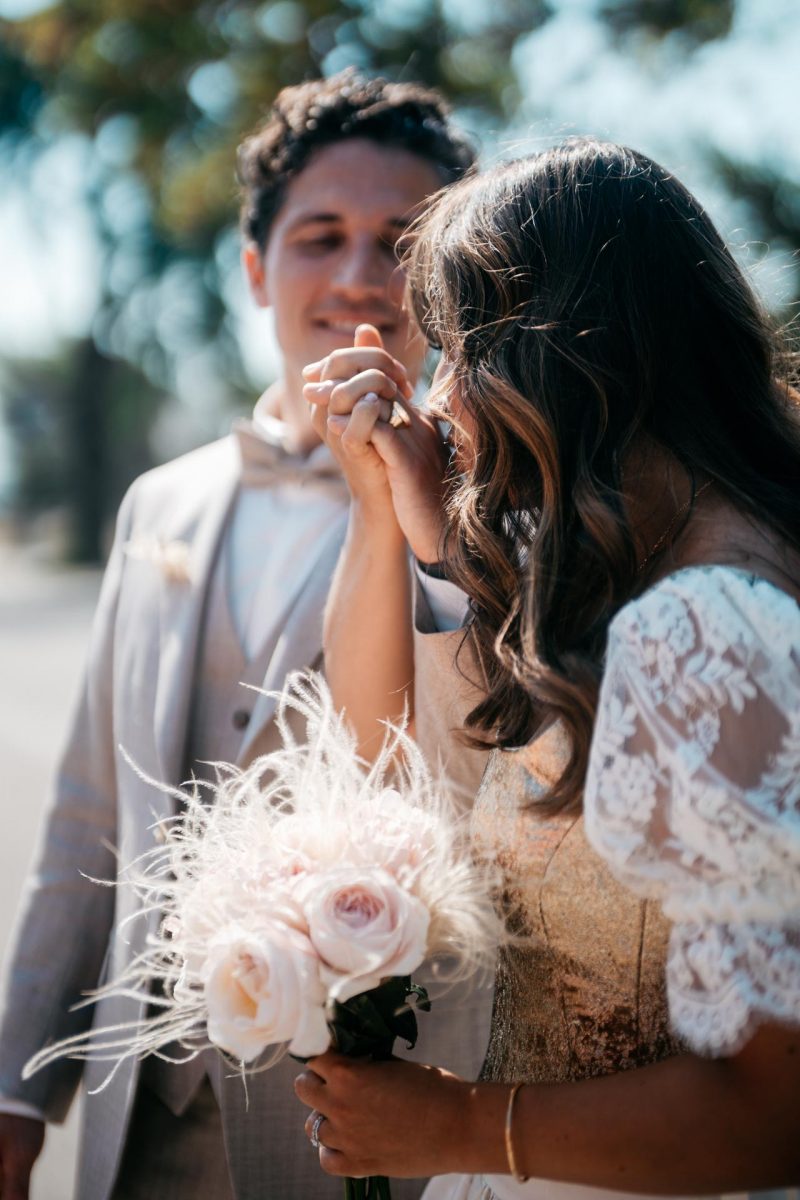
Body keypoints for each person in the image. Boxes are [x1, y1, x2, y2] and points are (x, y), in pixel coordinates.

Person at [0, 72, 492, 1200]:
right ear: (258, 268)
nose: (361, 274)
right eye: (321, 236)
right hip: (142, 1116)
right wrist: (16, 1087)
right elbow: (88, 812)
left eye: (401, 243)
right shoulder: (160, 505)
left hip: (375, 1115)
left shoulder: (499, 512)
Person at [295, 138, 800, 1197]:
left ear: (550, 359)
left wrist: (454, 1124)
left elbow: (774, 1111)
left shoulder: (699, 633)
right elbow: (388, 743)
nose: (438, 400)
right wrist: (412, 518)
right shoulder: (697, 570)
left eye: (455, 353)